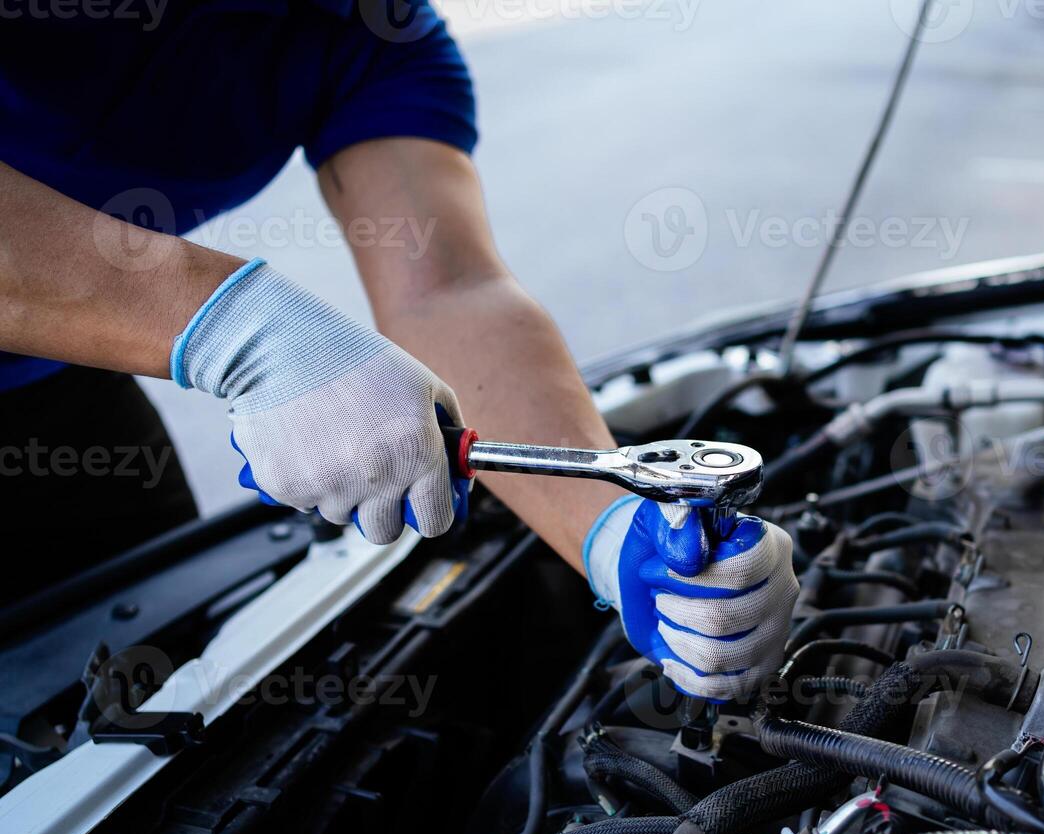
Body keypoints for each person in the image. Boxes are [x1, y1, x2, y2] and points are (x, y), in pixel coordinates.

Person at [0, 2, 797, 701]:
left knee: (134, 714)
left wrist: (610, 530)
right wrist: (240, 331)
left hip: (53, 390)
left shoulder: (370, 28)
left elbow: (448, 293)